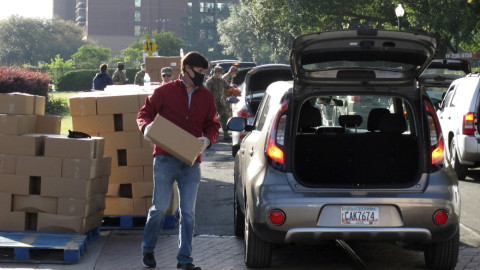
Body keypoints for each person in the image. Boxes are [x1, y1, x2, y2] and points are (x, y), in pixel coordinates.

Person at [137, 51, 220, 270]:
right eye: (199, 71)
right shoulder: (164, 92)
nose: (203, 75)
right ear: (187, 69)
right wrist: (146, 128)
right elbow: (144, 113)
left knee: (188, 212)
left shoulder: (206, 96)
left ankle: (185, 261)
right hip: (165, 158)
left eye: (205, 72)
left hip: (192, 161)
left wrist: (207, 140)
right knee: (160, 207)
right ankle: (148, 248)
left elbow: (213, 125)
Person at [206, 65, 231, 140]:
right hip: (212, 103)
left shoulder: (221, 80)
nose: (221, 74)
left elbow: (227, 86)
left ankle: (226, 134)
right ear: (216, 72)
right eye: (220, 73)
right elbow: (208, 93)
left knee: (225, 115)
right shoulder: (210, 81)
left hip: (220, 101)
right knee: (212, 119)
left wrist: (233, 88)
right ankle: (210, 135)